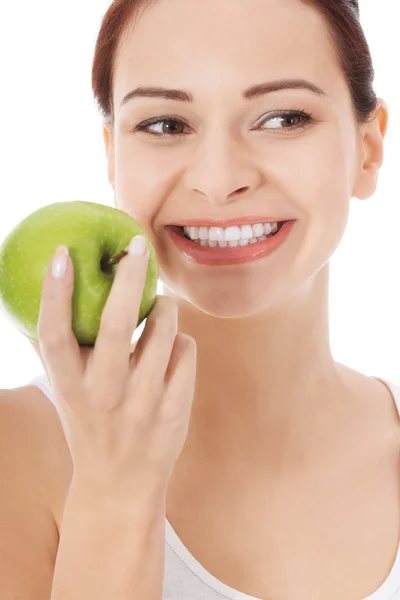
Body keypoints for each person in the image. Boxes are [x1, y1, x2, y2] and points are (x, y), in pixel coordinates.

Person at [0, 0, 396, 598]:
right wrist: (114, 486)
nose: (218, 178)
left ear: (367, 150)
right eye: (165, 125)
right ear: (112, 156)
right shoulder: (16, 453)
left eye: (284, 117)